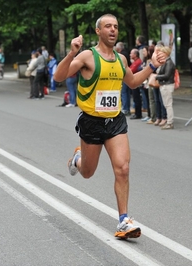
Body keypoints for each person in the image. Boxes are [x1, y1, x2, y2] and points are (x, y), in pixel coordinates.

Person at [53, 13, 165, 239]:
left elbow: (132, 82)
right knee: (87, 173)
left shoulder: (122, 59)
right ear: (98, 31)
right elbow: (58, 77)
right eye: (108, 26)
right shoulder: (87, 56)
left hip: (115, 121)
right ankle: (78, 159)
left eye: (115, 26)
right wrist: (71, 53)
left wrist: (152, 65)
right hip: (91, 122)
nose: (113, 30)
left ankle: (124, 220)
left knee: (123, 168)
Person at [155, 45, 175, 129]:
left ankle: (170, 122)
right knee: (166, 104)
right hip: (164, 84)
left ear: (166, 53)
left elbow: (167, 75)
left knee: (168, 104)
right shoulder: (166, 62)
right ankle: (169, 121)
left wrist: (156, 77)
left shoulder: (169, 63)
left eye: (162, 53)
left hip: (167, 84)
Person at [115, 42, 131, 115]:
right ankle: (127, 107)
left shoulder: (121, 56)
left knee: (124, 92)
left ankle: (125, 108)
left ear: (118, 48)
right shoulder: (126, 53)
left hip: (123, 75)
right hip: (127, 74)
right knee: (126, 93)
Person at [129, 48, 143, 119]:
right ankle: (137, 113)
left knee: (137, 98)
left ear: (135, 54)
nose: (130, 54)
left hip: (136, 82)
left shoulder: (137, 62)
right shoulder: (134, 62)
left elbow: (130, 70)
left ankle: (138, 114)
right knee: (135, 98)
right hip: (134, 82)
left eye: (131, 53)